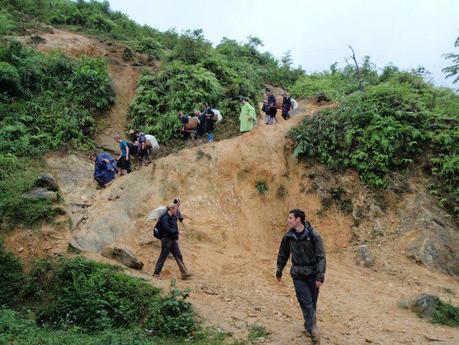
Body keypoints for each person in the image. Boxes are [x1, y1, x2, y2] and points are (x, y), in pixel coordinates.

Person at [276, 209, 326, 344]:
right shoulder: (288, 237)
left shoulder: (313, 235)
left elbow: (321, 257)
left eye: (290, 218)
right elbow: (283, 254)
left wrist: (320, 276)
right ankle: (314, 332)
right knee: (306, 301)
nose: (288, 220)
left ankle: (309, 326)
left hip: (313, 273)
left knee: (312, 303)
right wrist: (279, 270)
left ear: (298, 220)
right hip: (298, 274)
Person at [153, 204, 192, 280]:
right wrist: (177, 232)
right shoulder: (164, 217)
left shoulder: (174, 217)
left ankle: (184, 274)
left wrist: (176, 233)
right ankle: (156, 273)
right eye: (176, 209)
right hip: (166, 239)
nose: (177, 211)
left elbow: (175, 227)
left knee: (178, 255)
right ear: (171, 209)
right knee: (163, 256)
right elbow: (166, 228)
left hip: (173, 239)